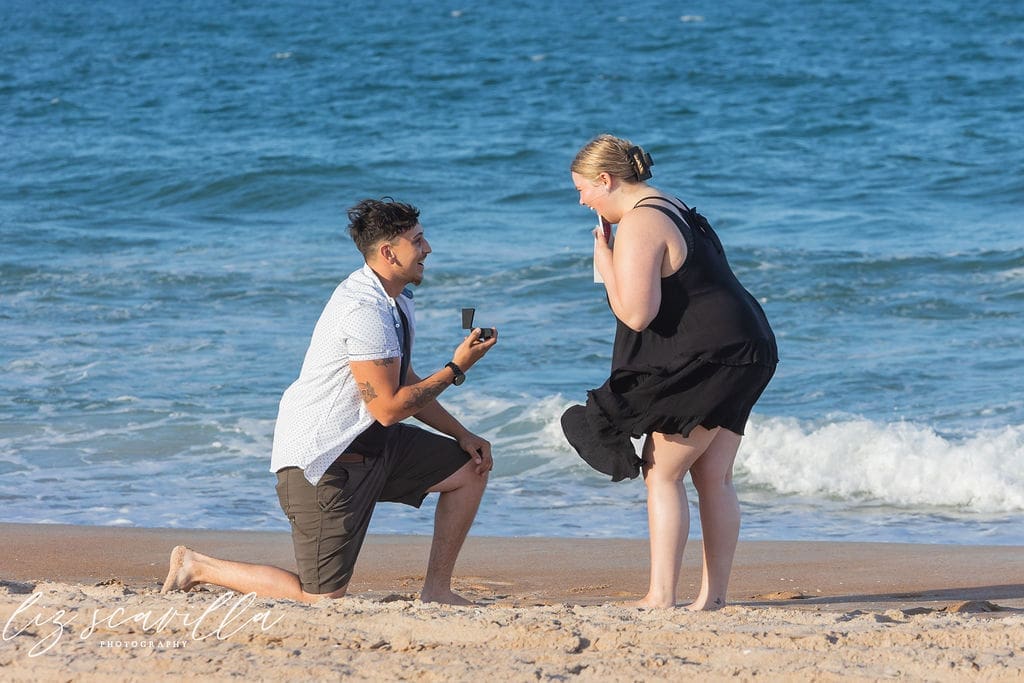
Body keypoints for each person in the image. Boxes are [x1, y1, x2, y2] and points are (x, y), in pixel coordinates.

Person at [162, 197, 498, 605]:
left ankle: (437, 591)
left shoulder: (397, 300)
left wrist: (463, 434)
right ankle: (197, 566)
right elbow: (388, 408)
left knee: (471, 466)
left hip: (370, 447)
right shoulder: (363, 309)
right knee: (321, 599)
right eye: (418, 240)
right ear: (389, 252)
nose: (428, 249)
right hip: (323, 463)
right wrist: (456, 368)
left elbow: (403, 381)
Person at [561, 134, 778, 610]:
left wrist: (605, 260)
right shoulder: (672, 204)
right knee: (713, 477)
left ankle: (661, 597)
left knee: (661, 474)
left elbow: (636, 314)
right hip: (750, 345)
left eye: (583, 189)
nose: (581, 200)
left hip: (715, 355)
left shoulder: (641, 221)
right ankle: (712, 597)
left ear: (605, 180)